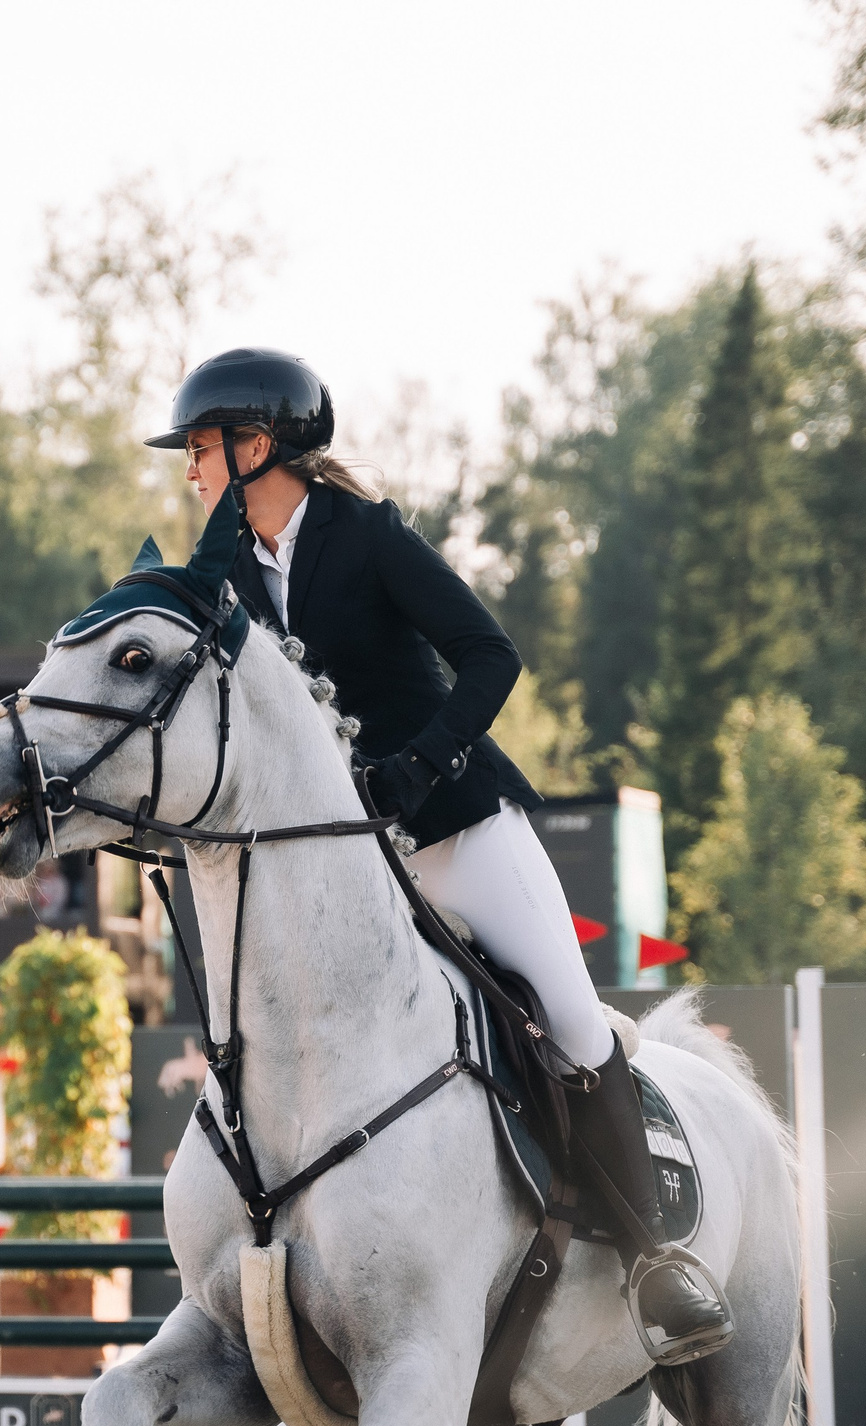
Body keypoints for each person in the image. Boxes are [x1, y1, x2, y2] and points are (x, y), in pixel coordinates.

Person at [146, 347, 731, 1365]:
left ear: (259, 445)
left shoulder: (363, 537)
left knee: (569, 1018)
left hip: (459, 828)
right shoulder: (225, 566)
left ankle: (653, 1262)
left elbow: (490, 653)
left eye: (202, 447)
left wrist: (422, 763)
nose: (191, 470)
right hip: (345, 868)